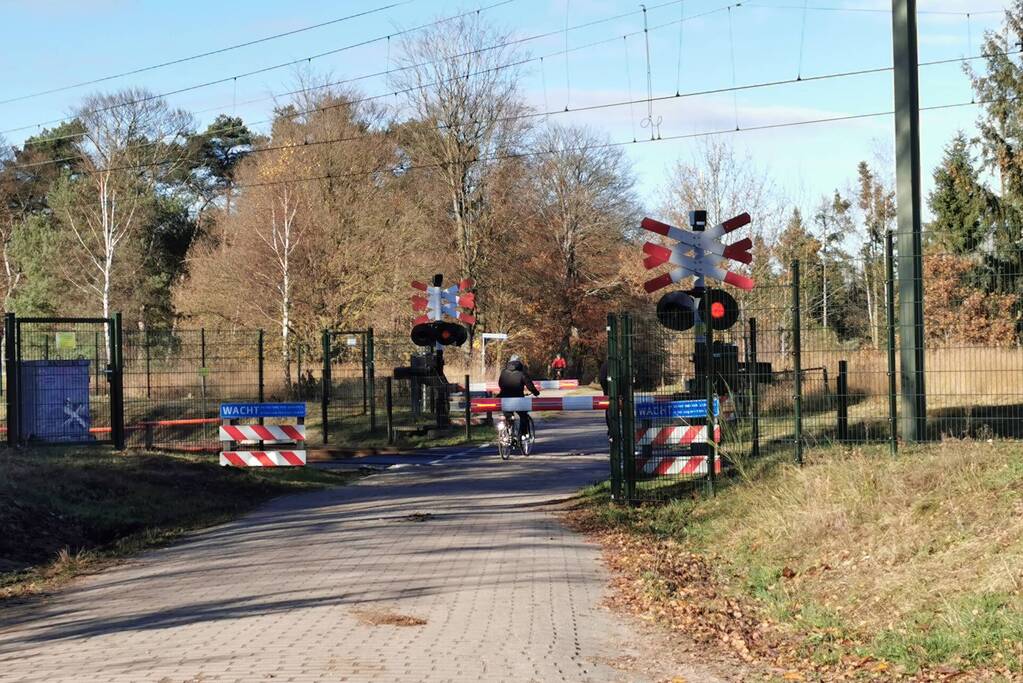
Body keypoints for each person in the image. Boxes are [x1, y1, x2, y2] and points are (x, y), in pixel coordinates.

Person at [498, 354, 540, 439]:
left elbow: (500, 384)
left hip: (504, 399)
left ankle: (507, 434)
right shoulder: (522, 373)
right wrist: (536, 393)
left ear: (509, 362)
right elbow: (530, 386)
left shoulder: (503, 372)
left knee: (508, 416)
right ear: (519, 363)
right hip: (518, 400)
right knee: (523, 415)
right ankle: (523, 435)